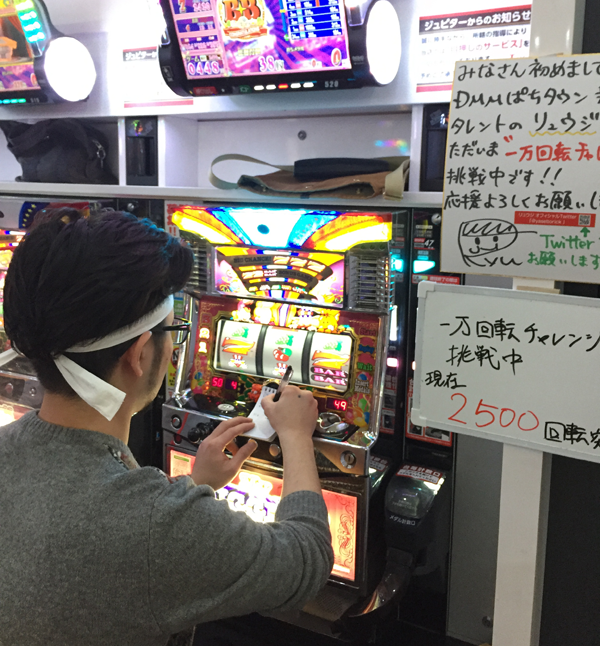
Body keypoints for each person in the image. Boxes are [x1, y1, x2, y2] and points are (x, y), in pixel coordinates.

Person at [0, 208, 333, 646]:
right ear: (139, 353)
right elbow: (306, 558)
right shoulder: (156, 526)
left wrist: (193, 488)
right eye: (175, 332)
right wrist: (295, 435)